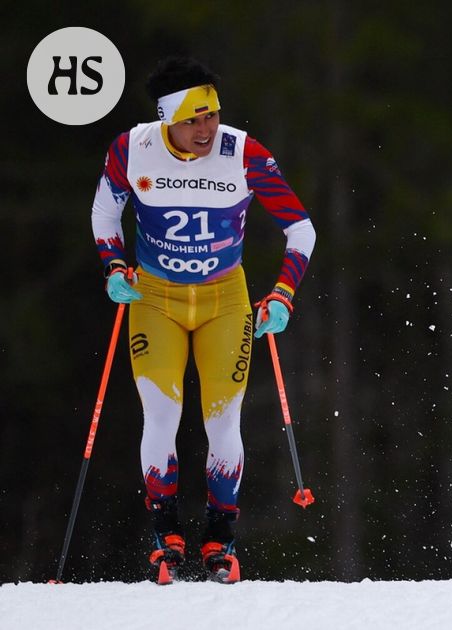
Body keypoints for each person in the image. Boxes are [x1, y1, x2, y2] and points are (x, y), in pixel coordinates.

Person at [90, 56, 316, 583]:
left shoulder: (244, 153)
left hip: (224, 301)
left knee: (222, 422)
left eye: (212, 115)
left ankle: (220, 540)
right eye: (193, 120)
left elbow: (301, 229)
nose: (206, 130)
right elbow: (104, 213)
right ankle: (165, 537)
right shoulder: (132, 149)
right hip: (155, 299)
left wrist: (283, 294)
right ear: (168, 118)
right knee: (162, 417)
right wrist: (114, 266)